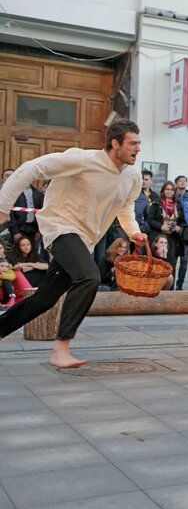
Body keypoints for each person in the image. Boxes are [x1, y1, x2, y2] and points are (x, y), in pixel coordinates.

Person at [0, 118, 147, 367]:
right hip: (59, 229)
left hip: (85, 240)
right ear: (115, 143)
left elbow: (126, 206)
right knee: (90, 276)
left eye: (139, 143)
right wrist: (3, 207)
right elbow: (31, 168)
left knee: (44, 299)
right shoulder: (81, 160)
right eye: (133, 143)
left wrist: (133, 232)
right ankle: (61, 348)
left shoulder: (133, 176)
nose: (138, 148)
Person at [147, 180, 187, 287]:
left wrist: (179, 228)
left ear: (174, 191)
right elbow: (150, 220)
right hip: (158, 238)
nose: (169, 192)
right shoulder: (156, 203)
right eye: (167, 189)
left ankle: (170, 289)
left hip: (173, 239)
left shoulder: (178, 204)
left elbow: (183, 221)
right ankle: (154, 288)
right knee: (157, 265)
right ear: (163, 191)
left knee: (171, 265)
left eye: (171, 190)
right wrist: (161, 226)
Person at [174, 175, 188, 290]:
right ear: (176, 183)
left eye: (184, 181)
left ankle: (179, 284)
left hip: (187, 231)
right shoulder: (173, 197)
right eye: (180, 181)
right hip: (175, 230)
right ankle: (170, 283)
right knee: (174, 257)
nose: (182, 182)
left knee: (185, 260)